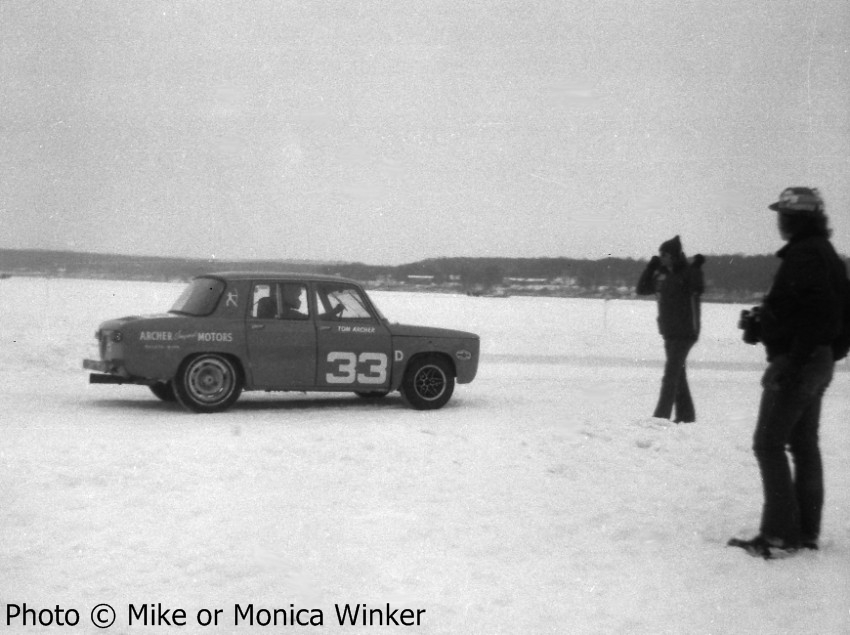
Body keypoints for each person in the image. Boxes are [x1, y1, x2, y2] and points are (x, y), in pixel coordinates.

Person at [728, 187, 846, 559]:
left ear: (796, 219)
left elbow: (820, 313)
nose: (779, 220)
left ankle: (780, 535)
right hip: (818, 359)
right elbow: (831, 313)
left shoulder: (805, 255)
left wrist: (790, 359)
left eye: (783, 214)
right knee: (802, 444)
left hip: (802, 362)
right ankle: (804, 532)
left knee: (769, 443)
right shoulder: (824, 254)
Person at [636, 235, 705, 423]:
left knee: (670, 375)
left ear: (674, 255)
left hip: (686, 332)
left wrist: (697, 267)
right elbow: (641, 289)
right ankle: (686, 417)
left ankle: (661, 417)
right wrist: (650, 267)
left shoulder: (687, 272)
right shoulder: (662, 275)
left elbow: (697, 287)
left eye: (664, 254)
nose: (662, 257)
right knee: (678, 376)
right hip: (669, 332)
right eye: (660, 254)